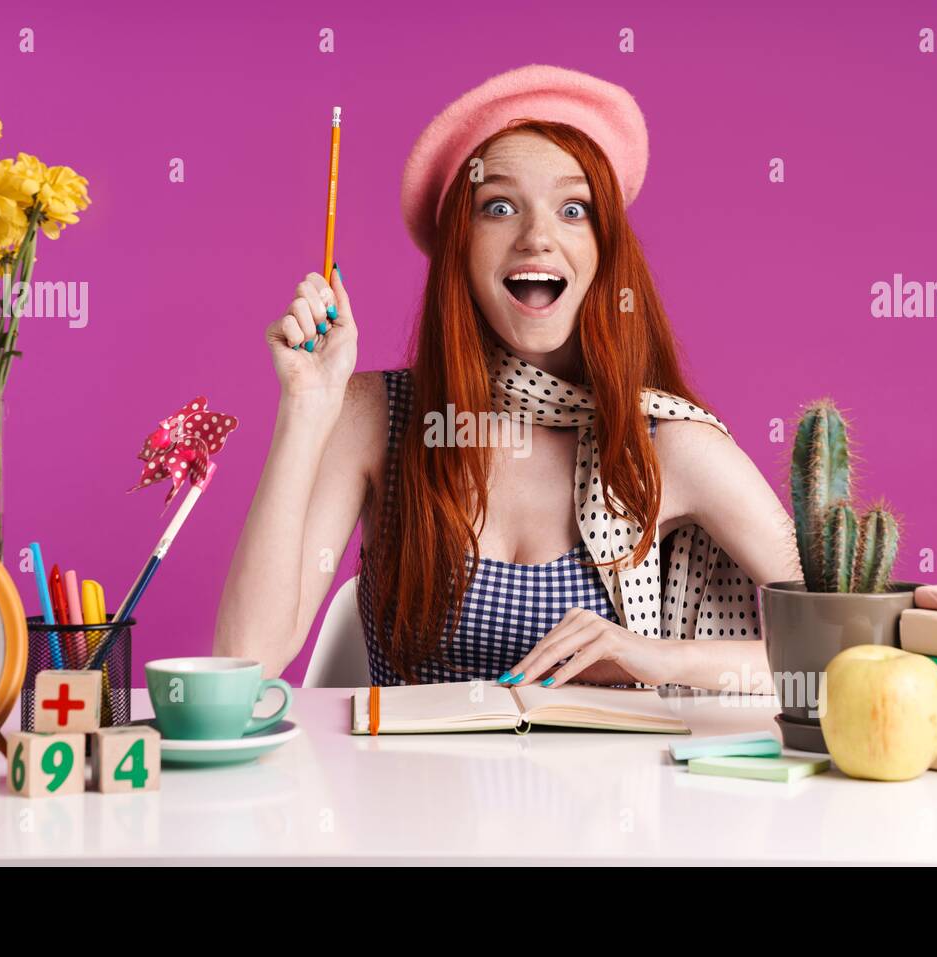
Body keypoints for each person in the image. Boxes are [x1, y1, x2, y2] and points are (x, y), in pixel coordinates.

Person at [215, 65, 802, 691]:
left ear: (605, 252)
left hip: (608, 789)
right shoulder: (373, 417)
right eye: (499, 206)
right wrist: (307, 406)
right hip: (401, 789)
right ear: (459, 251)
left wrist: (655, 656)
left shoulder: (666, 442)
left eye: (573, 209)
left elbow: (841, 647)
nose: (538, 237)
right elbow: (243, 661)